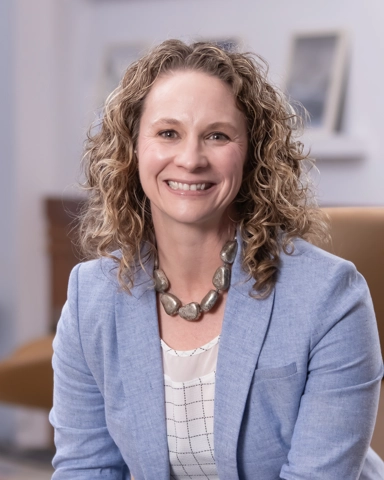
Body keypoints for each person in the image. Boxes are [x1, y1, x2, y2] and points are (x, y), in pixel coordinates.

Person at [49, 39, 384, 479]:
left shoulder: (330, 296)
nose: (190, 159)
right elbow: (85, 468)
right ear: (132, 150)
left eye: (217, 135)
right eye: (168, 133)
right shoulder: (90, 296)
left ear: (252, 153)